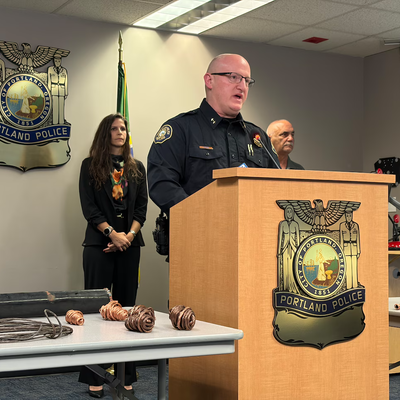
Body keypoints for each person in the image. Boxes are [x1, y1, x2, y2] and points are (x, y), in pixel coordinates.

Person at [147, 53, 280, 213]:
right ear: (209, 80)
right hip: (197, 226)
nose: (242, 87)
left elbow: (278, 187)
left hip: (251, 226)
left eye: (246, 81)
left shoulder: (257, 137)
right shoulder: (180, 129)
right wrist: (203, 216)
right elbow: (162, 185)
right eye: (234, 77)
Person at [78, 113, 148, 398]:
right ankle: (95, 375)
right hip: (99, 245)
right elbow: (89, 207)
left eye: (124, 128)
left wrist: (127, 237)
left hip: (129, 246)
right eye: (115, 128)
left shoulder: (137, 168)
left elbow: (142, 208)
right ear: (105, 133)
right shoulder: (90, 166)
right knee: (97, 312)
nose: (121, 132)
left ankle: (125, 374)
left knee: (127, 311)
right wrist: (111, 234)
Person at [339, 208, 360, 290]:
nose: (348, 217)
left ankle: (355, 285)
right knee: (348, 268)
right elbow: (341, 239)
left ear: (352, 216)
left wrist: (358, 251)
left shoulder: (356, 225)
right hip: (346, 249)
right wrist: (341, 251)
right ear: (345, 216)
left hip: (354, 248)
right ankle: (348, 286)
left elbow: (358, 238)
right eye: (347, 216)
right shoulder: (342, 225)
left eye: (350, 216)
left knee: (354, 267)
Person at [47, 54, 68, 124]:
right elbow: (49, 81)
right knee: (55, 107)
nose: (57, 63)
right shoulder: (50, 69)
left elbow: (66, 82)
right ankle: (55, 122)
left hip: (62, 90)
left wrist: (66, 92)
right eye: (56, 61)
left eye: (58, 61)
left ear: (60, 61)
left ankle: (61, 122)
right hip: (54, 90)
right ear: (54, 61)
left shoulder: (64, 70)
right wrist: (49, 91)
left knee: (61, 107)